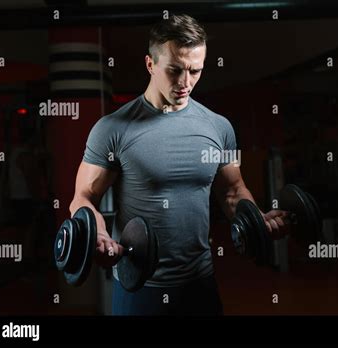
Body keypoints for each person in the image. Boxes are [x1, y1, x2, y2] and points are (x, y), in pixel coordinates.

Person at [69, 14, 289, 316]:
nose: (186, 82)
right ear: (150, 64)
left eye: (195, 71)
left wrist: (256, 222)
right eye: (175, 70)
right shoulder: (113, 129)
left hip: (200, 283)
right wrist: (98, 232)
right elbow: (83, 198)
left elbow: (233, 191)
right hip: (140, 287)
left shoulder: (219, 127)